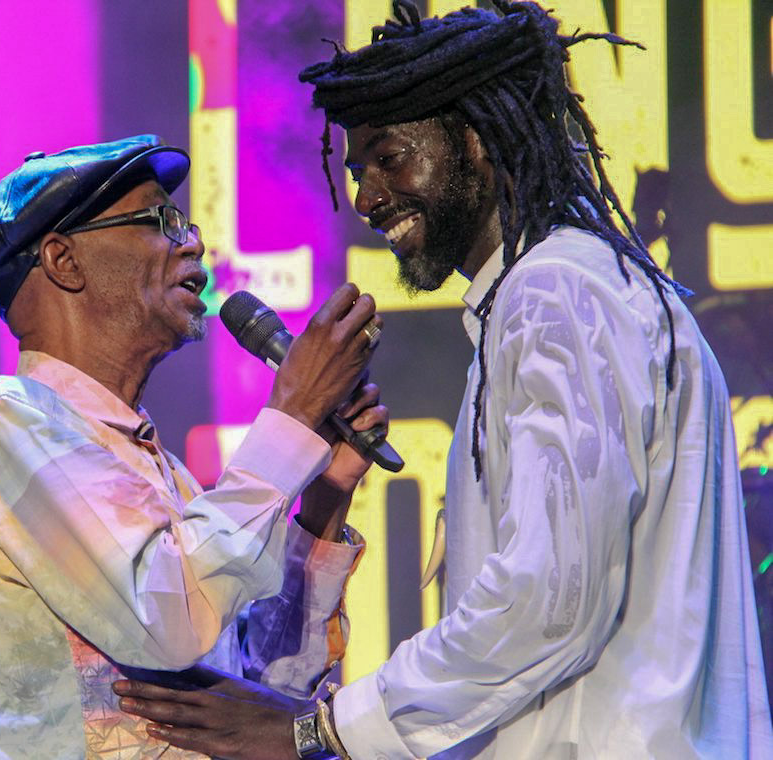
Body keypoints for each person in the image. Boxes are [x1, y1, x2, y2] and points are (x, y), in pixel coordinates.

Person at [113, 3, 773, 758]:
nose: (366, 199)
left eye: (389, 159)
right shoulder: (552, 295)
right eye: (357, 173)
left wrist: (318, 729)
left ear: (476, 140)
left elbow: (547, 601)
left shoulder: (558, 294)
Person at [0, 135, 389, 758]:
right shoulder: (11, 419)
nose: (193, 242)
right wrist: (290, 413)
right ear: (64, 261)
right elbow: (169, 620)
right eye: (161, 220)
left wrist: (323, 498)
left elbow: (258, 701)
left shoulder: (167, 476)